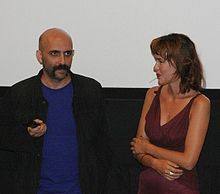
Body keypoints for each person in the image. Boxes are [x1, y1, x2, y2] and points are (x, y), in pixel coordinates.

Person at [0, 28, 111, 194]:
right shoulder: (20, 93)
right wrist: (27, 134)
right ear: (40, 56)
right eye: (54, 53)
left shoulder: (90, 91)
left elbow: (104, 147)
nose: (62, 60)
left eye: (68, 53)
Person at [130, 33, 210, 194]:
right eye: (155, 61)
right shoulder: (152, 95)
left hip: (181, 188)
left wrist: (149, 148)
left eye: (160, 61)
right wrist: (155, 164)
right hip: (147, 186)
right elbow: (137, 148)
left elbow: (188, 161)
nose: (155, 68)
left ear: (179, 64)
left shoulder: (200, 103)